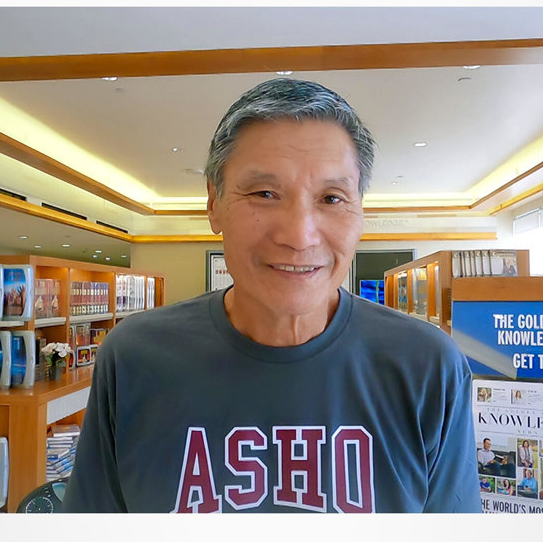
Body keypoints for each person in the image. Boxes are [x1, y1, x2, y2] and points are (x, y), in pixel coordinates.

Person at [62, 78, 481, 513]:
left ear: (360, 210)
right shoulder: (134, 358)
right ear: (213, 204)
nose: (299, 236)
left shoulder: (427, 367)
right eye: (264, 194)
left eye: (331, 198)